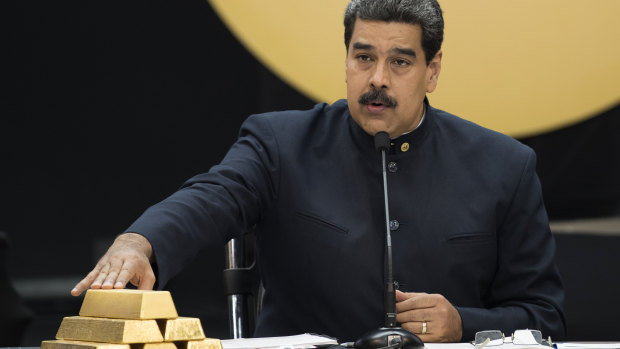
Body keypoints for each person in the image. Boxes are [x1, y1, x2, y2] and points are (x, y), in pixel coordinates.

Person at [71, 0, 566, 343]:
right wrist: (141, 243)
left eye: (400, 62)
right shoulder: (281, 144)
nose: (377, 79)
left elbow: (545, 319)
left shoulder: (504, 166)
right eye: (364, 57)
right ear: (347, 58)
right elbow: (210, 196)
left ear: (432, 70)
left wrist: (463, 324)